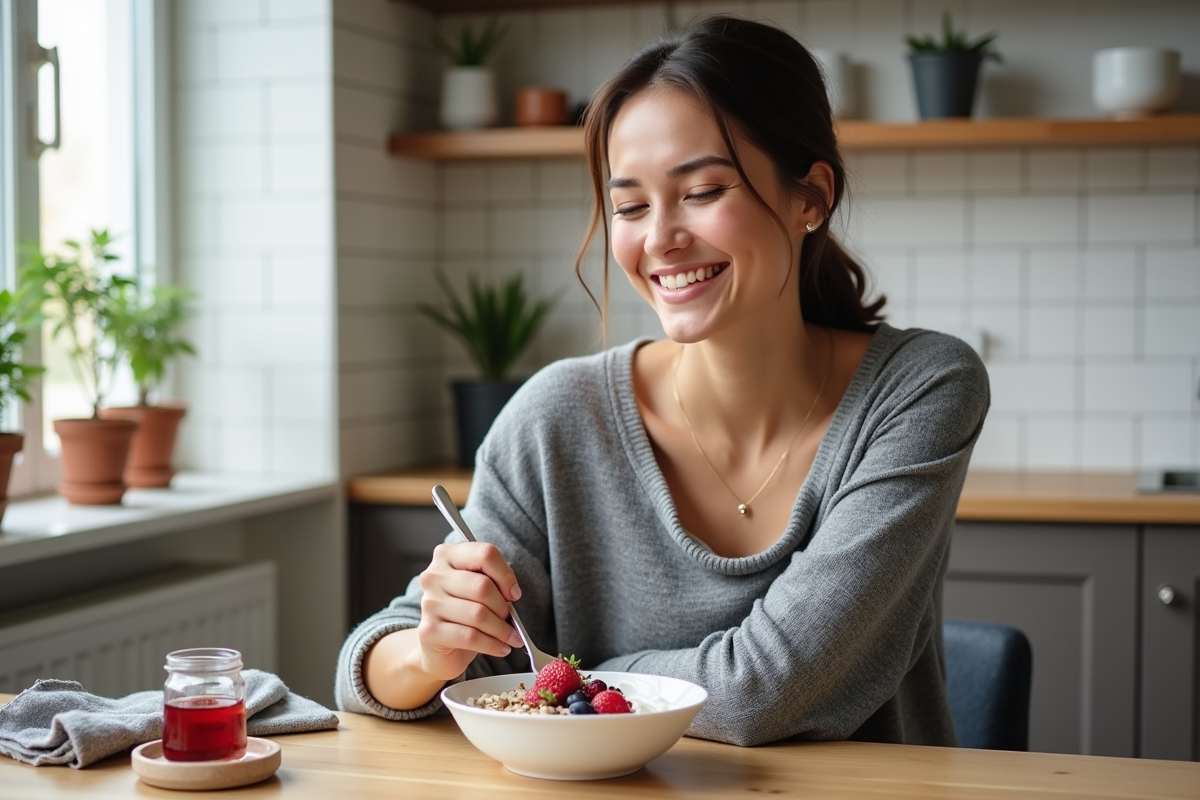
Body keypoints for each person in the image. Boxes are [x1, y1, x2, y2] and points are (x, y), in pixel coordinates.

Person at [336, 15, 989, 747]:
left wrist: (562, 683)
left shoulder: (919, 388)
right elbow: (372, 668)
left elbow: (763, 691)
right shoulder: (555, 417)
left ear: (811, 196)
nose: (660, 239)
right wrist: (431, 649)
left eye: (703, 191)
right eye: (631, 206)